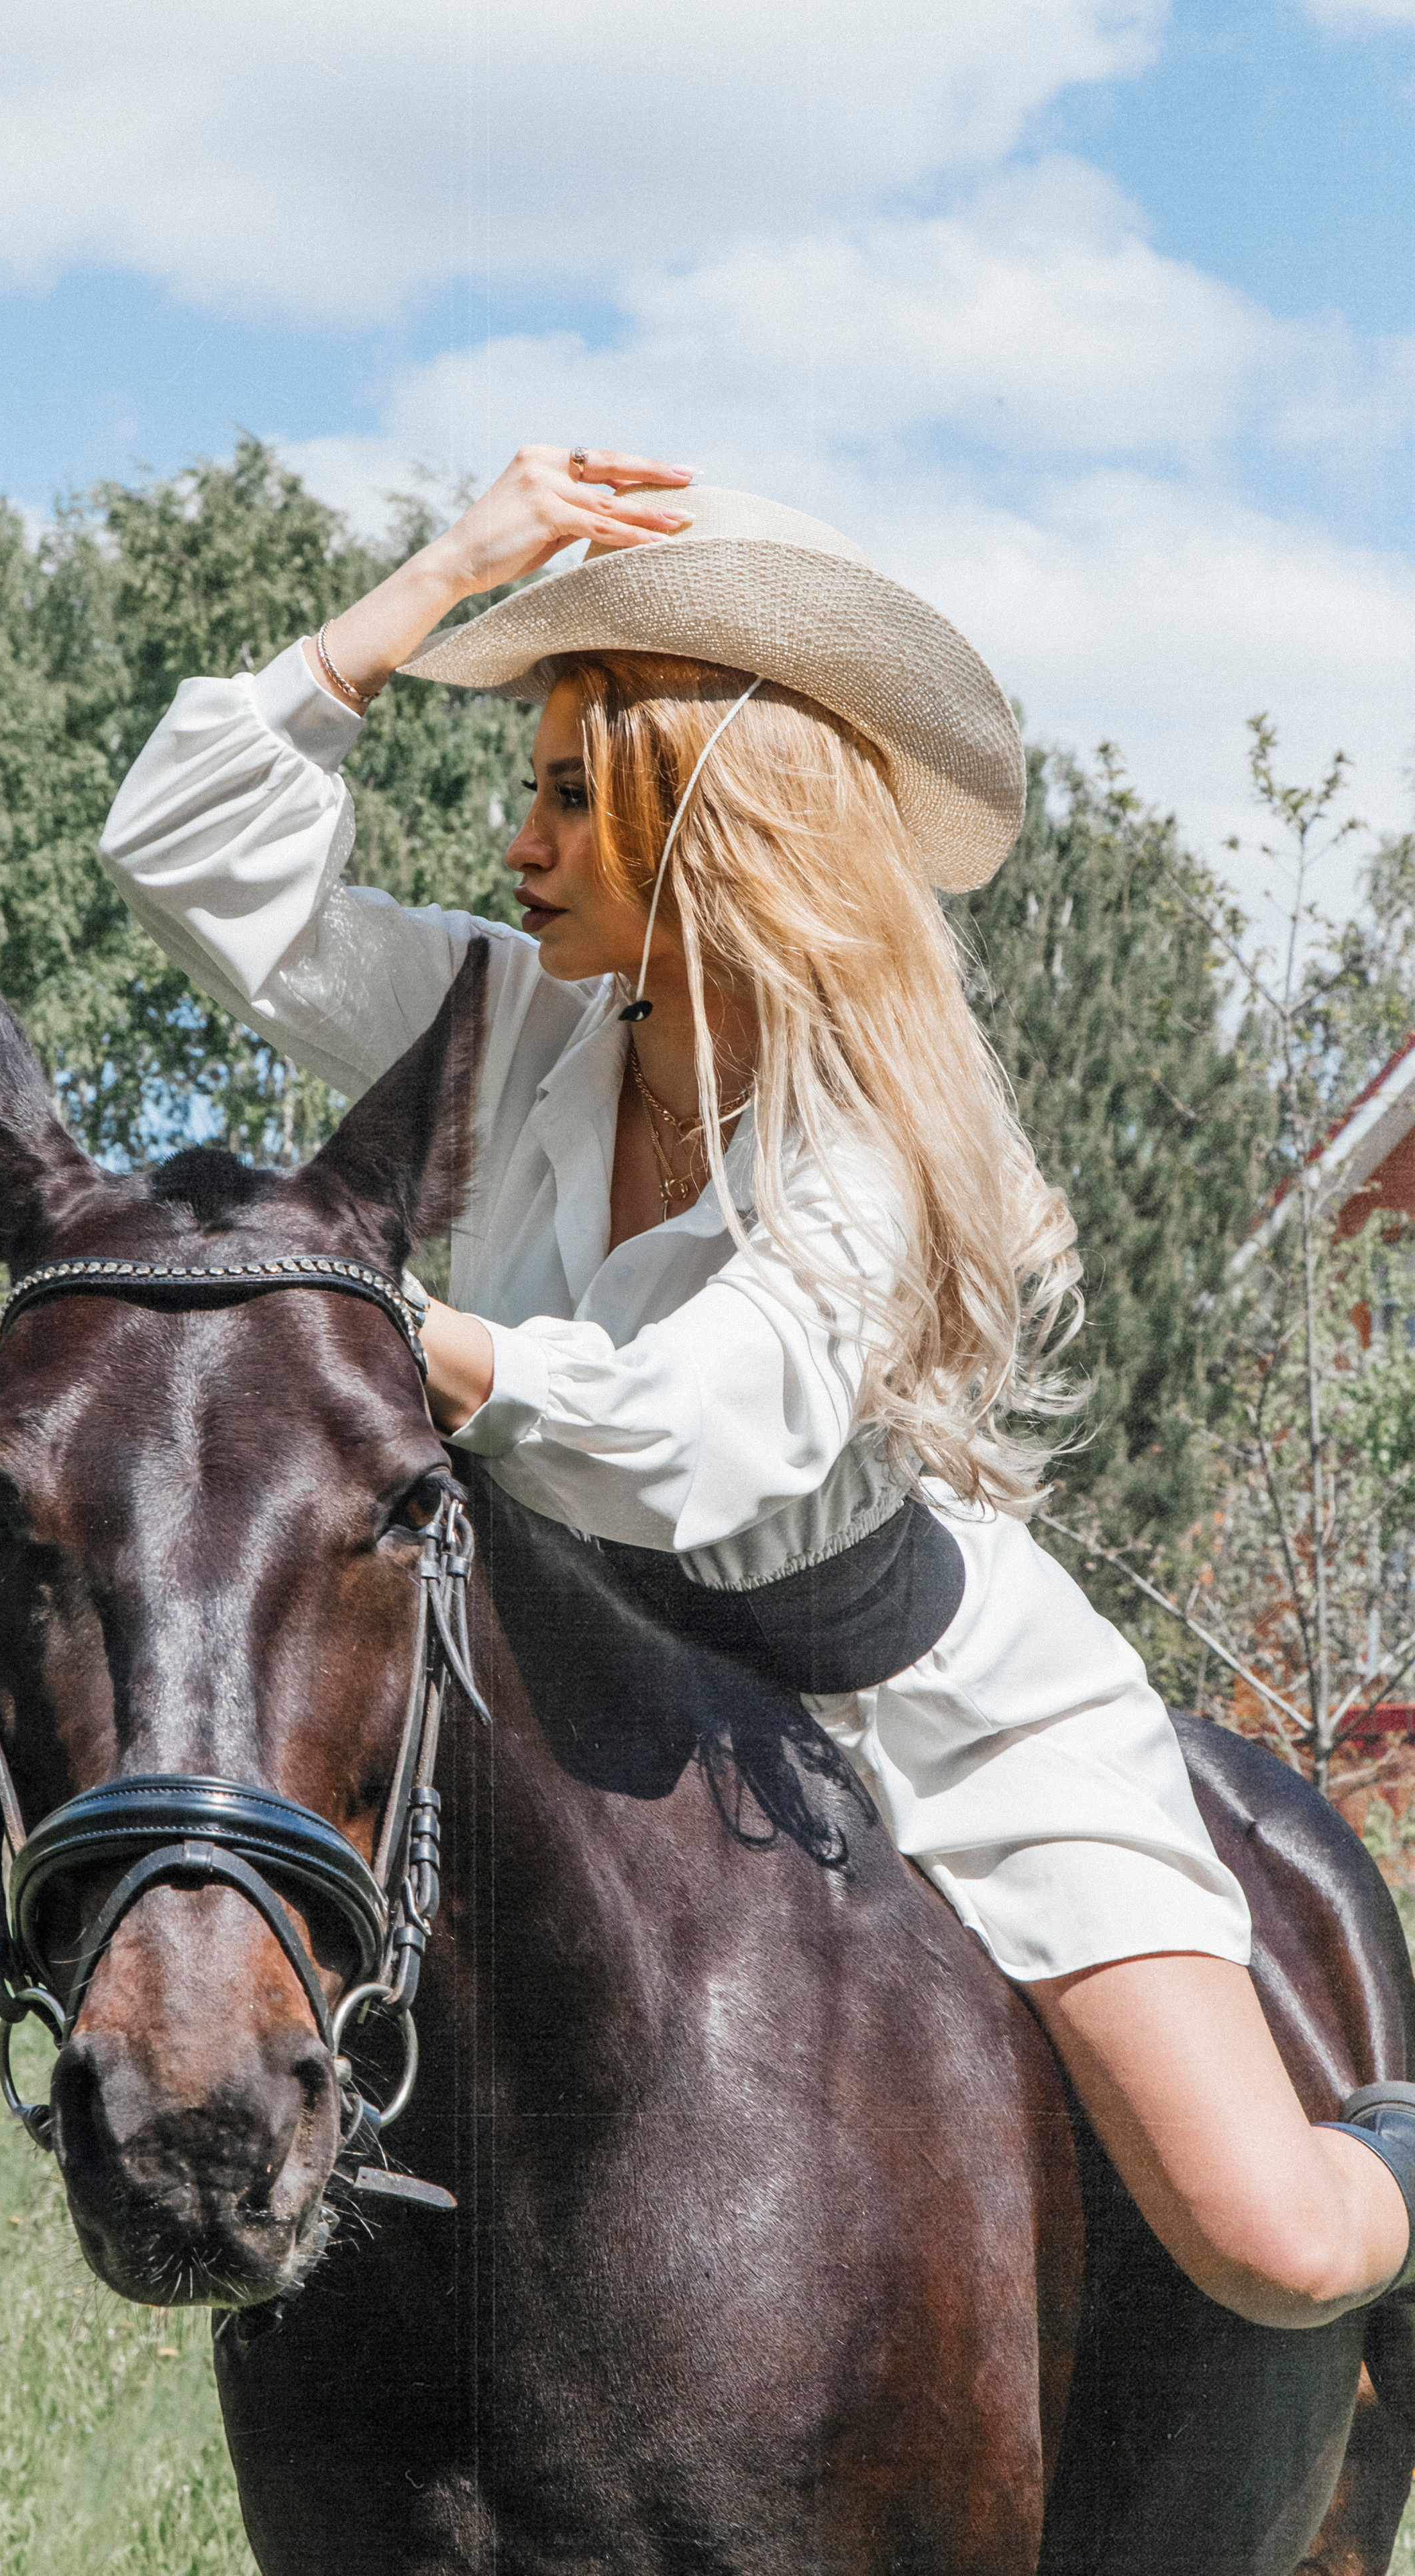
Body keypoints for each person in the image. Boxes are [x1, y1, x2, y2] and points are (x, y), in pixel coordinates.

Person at [97, 440, 1415, 2355]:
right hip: (557, 1676)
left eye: (566, 797)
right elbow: (192, 863)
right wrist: (450, 571)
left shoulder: (867, 1136)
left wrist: (385, 1331)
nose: (516, 847)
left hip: (901, 1692)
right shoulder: (522, 1022)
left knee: (1271, 2239)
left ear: (701, 818)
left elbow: (705, 1440)